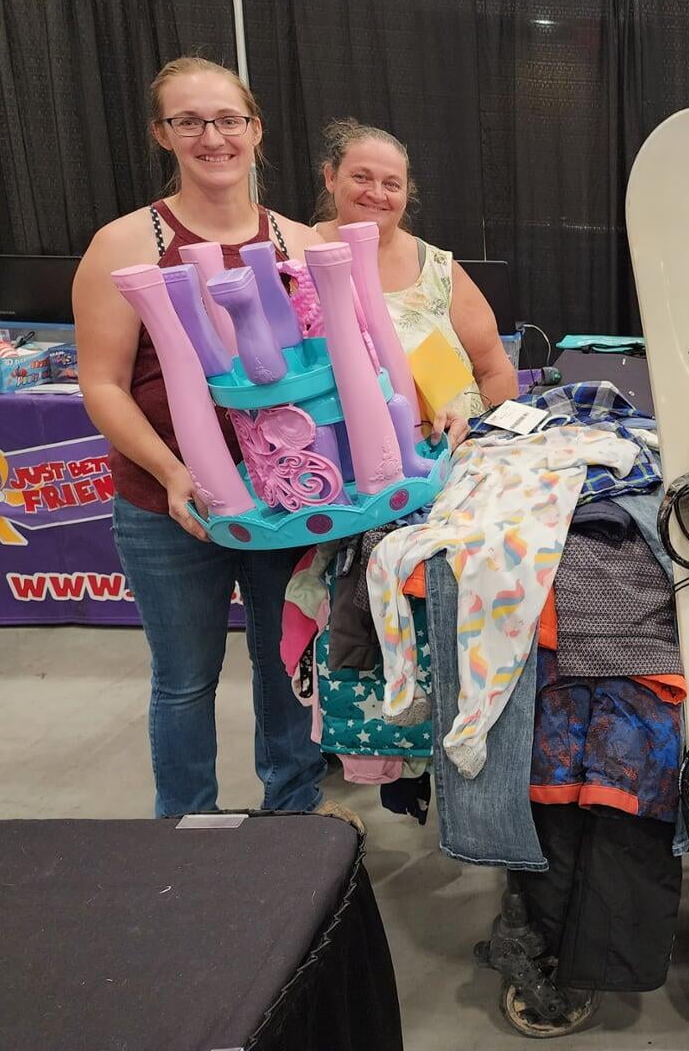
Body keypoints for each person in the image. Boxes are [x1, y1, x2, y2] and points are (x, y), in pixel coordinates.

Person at [73, 57, 327, 818]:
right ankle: (187, 826)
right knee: (184, 678)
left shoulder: (302, 243)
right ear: (162, 134)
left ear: (256, 129)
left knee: (288, 663)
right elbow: (103, 384)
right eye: (189, 121)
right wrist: (172, 471)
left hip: (286, 502)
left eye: (227, 119)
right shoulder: (123, 246)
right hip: (167, 505)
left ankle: (294, 817)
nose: (211, 137)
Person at [313, 119, 517, 441]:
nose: (377, 194)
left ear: (407, 193)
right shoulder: (300, 259)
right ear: (330, 178)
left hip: (463, 455)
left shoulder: (438, 269)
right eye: (361, 177)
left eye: (392, 184)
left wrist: (486, 439)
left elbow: (496, 369)